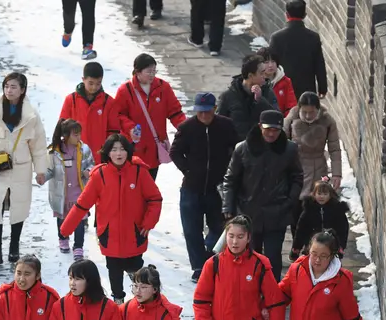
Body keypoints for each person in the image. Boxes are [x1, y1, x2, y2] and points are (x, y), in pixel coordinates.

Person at [60, 134, 162, 303]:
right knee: (114, 271)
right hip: (109, 235)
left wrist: (148, 222)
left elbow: (155, 199)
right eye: (114, 149)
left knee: (137, 271)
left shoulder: (139, 172)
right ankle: (118, 303)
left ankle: (148, 301)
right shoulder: (99, 175)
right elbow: (82, 204)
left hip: (135, 233)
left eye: (122, 149)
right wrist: (65, 229)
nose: (118, 153)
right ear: (108, 153)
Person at [0, 73, 49, 268]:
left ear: (22, 90)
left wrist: (41, 170)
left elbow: (38, 144)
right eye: (6, 86)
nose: (9, 90)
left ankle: (14, 248)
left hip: (20, 167)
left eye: (14, 87)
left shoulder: (31, 115)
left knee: (18, 209)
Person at [222, 110, 303, 282]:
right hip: (248, 213)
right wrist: (228, 208)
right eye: (268, 129)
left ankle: (272, 294)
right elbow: (231, 179)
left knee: (273, 258)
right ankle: (250, 292)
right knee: (250, 257)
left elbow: (297, 177)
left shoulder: (289, 149)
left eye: (276, 130)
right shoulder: (243, 148)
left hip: (277, 212)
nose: (272, 133)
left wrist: (290, 200)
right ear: (260, 127)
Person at [169, 92, 235, 282]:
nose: (204, 116)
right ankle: (198, 266)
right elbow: (175, 152)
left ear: (214, 109)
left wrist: (228, 170)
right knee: (191, 229)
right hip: (192, 187)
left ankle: (210, 255)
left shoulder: (225, 126)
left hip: (216, 187)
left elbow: (235, 148)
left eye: (208, 112)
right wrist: (188, 171)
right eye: (200, 112)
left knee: (219, 226)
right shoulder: (187, 128)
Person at [114, 53, 186, 180]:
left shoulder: (163, 88)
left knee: (150, 184)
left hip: (154, 148)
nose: (152, 75)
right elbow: (118, 115)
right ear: (137, 72)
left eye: (154, 71)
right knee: (133, 184)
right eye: (148, 71)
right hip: (133, 148)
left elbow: (175, 112)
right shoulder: (125, 91)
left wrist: (186, 127)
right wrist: (130, 128)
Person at [284, 91, 341, 240]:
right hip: (297, 166)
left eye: (312, 112)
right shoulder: (292, 118)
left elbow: (334, 148)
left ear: (318, 109)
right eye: (305, 112)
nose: (308, 116)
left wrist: (336, 174)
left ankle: (313, 242)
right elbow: (282, 143)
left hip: (318, 166)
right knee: (296, 206)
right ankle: (298, 241)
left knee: (316, 205)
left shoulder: (327, 121)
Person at [45, 119, 94, 260]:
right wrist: (43, 177)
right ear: (65, 135)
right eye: (75, 135)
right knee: (62, 216)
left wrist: (88, 171)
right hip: (62, 193)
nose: (79, 138)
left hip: (79, 191)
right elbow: (50, 170)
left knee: (79, 219)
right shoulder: (54, 152)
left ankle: (78, 246)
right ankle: (63, 238)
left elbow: (92, 164)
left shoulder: (84, 149)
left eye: (79, 134)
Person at [59, 62, 122, 165]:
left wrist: (108, 152)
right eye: (91, 83)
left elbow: (113, 131)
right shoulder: (71, 100)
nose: (94, 87)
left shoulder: (108, 102)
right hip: (74, 156)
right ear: (83, 79)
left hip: (98, 157)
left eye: (98, 83)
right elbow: (62, 127)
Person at [269, 0, 328, 99]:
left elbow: (271, 63)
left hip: (282, 89)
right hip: (306, 90)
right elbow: (319, 65)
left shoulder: (276, 37)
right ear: (305, 15)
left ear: (287, 14)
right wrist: (323, 88)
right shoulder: (313, 37)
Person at [216, 54, 276, 144]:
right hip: (236, 147)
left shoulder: (268, 93)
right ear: (251, 76)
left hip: (262, 146)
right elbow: (219, 124)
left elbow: (276, 116)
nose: (265, 75)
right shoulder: (228, 96)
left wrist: (260, 100)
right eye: (261, 73)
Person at [291, 178, 349, 261]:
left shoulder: (337, 210)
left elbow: (343, 229)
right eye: (319, 193)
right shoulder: (309, 209)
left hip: (331, 245)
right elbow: (301, 229)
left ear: (330, 195)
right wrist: (296, 247)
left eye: (325, 194)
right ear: (314, 194)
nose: (322, 196)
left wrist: (341, 246)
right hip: (312, 244)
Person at [256, 46, 297, 116]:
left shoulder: (286, 81)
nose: (270, 65)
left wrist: (286, 121)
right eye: (266, 62)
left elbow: (291, 105)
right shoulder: (255, 81)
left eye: (273, 61)